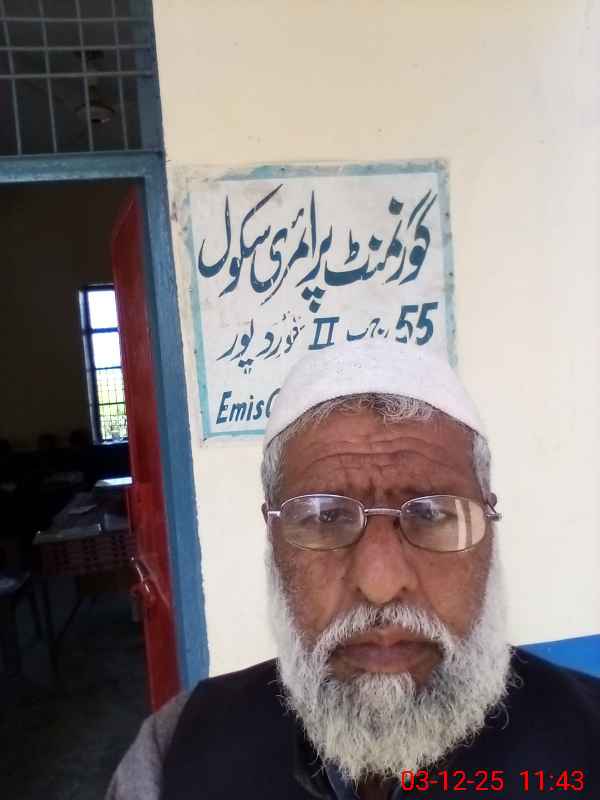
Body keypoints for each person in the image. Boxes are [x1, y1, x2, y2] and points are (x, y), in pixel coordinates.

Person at [107, 340, 600, 799]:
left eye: (432, 515)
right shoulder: (174, 755)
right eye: (325, 517)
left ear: (489, 533)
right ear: (272, 541)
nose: (380, 584)